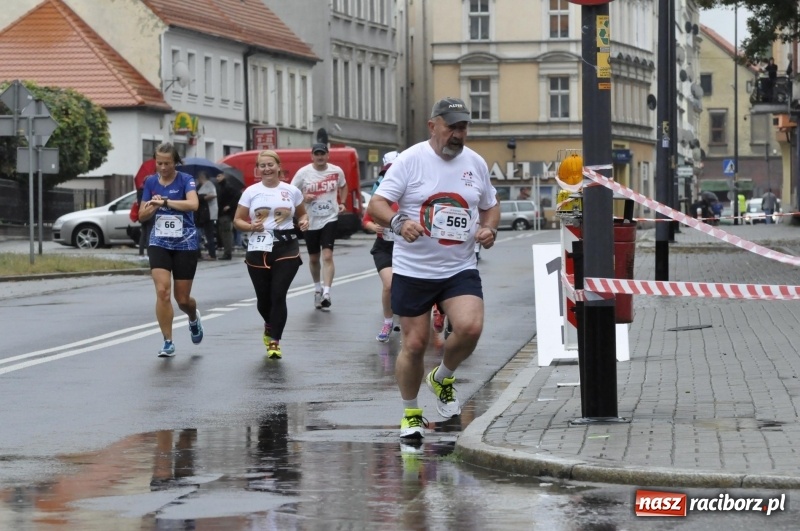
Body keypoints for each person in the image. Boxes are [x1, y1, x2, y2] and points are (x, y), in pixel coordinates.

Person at [367, 97, 500, 440]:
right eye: (452, 126)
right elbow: (377, 204)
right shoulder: (411, 161)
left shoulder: (476, 163)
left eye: (463, 127)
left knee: (470, 328)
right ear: (433, 126)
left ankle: (443, 375)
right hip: (414, 268)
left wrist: (489, 229)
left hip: (459, 267)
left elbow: (490, 206)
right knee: (414, 344)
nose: (458, 133)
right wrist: (399, 221)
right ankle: (411, 413)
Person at [234, 150, 309, 359]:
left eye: (270, 165)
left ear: (278, 166)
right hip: (258, 248)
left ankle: (275, 341)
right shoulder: (251, 192)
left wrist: (304, 221)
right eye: (262, 166)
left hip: (286, 247)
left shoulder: (291, 191)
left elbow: (302, 213)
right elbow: (237, 220)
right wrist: (250, 226)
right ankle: (269, 324)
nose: (266, 169)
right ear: (258, 170)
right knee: (263, 299)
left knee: (278, 295)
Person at [138, 142, 203, 358]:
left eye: (167, 163)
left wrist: (166, 201)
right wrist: (151, 207)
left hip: (185, 241)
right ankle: (168, 341)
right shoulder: (150, 182)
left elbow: (193, 205)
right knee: (162, 291)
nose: (163, 168)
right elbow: (141, 215)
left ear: (176, 162)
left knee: (183, 299)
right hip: (159, 241)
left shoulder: (186, 180)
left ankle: (193, 318)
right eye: (159, 163)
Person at [291, 143, 347, 310]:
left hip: (330, 217)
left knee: (327, 255)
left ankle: (327, 293)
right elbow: (291, 192)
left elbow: (343, 186)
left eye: (323, 154)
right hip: (310, 219)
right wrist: (303, 196)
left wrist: (342, 202)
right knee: (314, 258)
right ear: (312, 156)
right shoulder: (303, 172)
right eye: (317, 154)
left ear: (328, 155)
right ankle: (317, 289)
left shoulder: (336, 171)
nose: (320, 157)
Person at [361, 151, 399, 342]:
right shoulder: (380, 193)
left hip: (407, 248)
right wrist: (372, 226)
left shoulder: (411, 193)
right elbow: (366, 219)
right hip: (384, 246)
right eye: (388, 171)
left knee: (408, 287)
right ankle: (387, 321)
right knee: (389, 284)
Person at [216, 172, 240, 260]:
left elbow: (237, 196)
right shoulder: (221, 187)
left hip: (226, 214)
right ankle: (227, 252)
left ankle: (227, 253)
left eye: (219, 176)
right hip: (221, 213)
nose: (217, 178)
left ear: (224, 176)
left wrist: (229, 205)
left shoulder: (228, 187)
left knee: (226, 234)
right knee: (223, 234)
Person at [195, 172, 218, 260]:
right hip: (202, 214)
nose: (198, 180)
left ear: (202, 177)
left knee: (209, 235)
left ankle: (212, 254)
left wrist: (202, 197)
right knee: (202, 234)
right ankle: (200, 253)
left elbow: (213, 195)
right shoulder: (199, 186)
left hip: (208, 214)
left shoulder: (209, 185)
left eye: (199, 178)